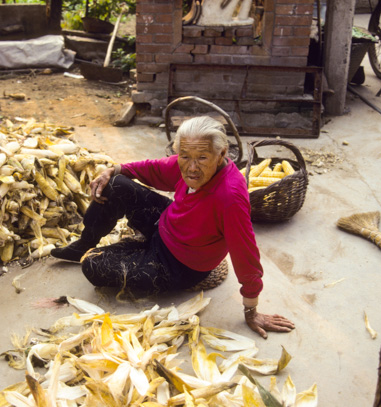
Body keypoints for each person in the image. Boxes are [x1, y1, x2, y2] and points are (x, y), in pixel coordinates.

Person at [51, 116, 295, 339]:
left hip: (180, 263)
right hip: (166, 223)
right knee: (115, 185)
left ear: (221, 155)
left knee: (93, 266)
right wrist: (112, 170)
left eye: (202, 158)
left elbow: (245, 252)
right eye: (185, 156)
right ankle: (84, 242)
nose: (191, 167)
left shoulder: (229, 197)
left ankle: (135, 251)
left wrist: (251, 309)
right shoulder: (185, 165)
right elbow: (155, 168)